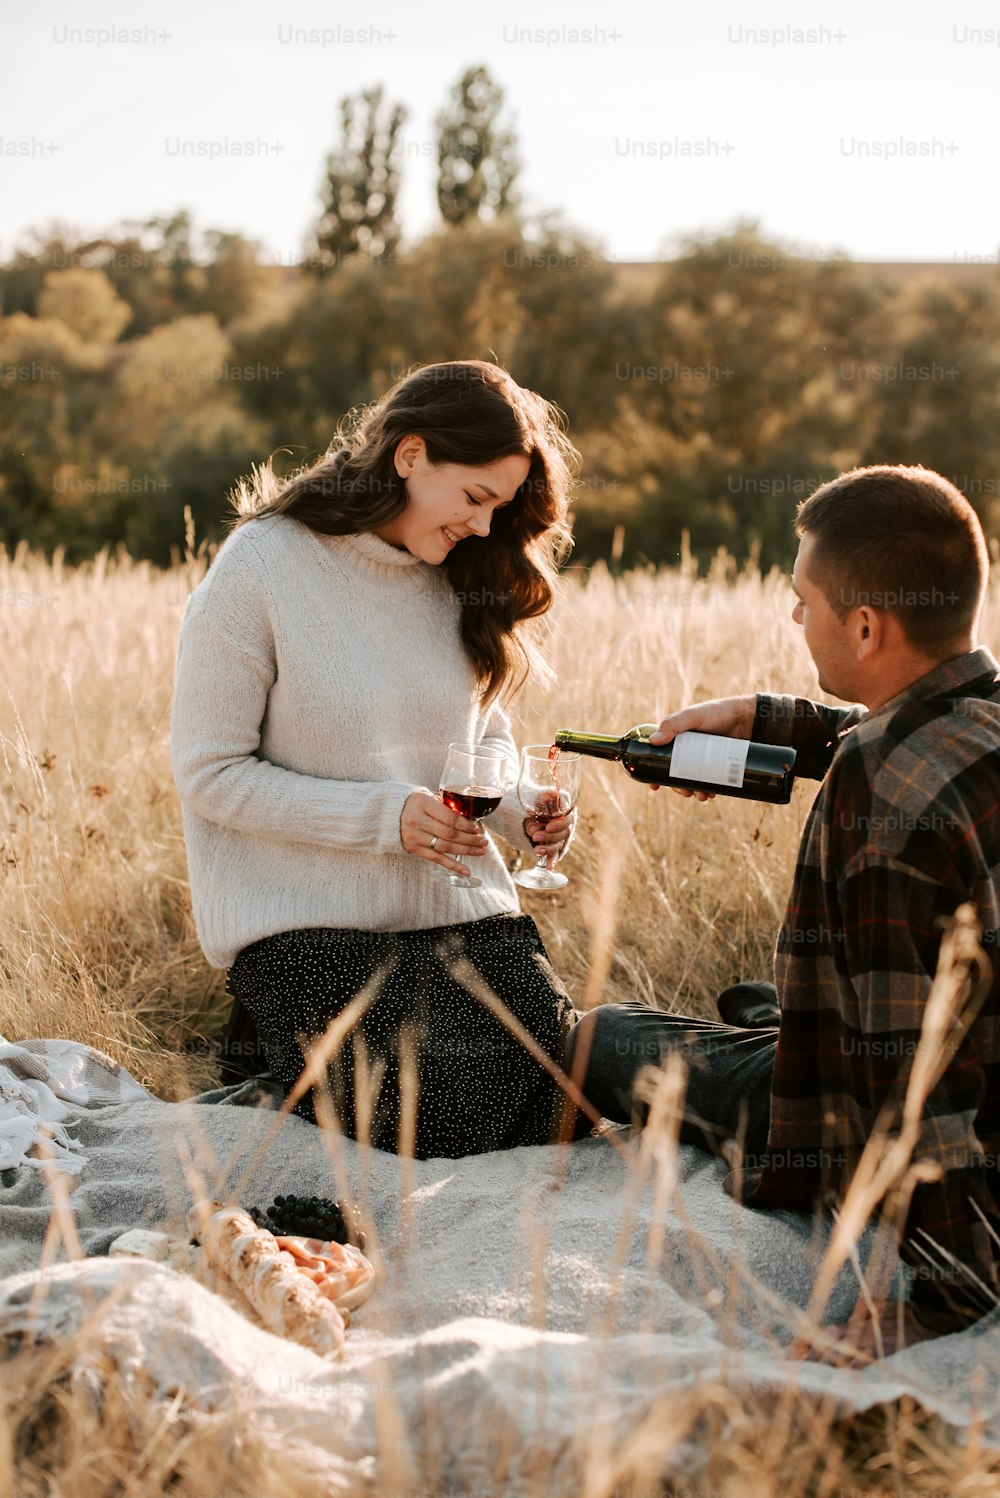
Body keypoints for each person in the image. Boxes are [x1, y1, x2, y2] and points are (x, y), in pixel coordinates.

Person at [565, 464, 1000, 1356]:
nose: (793, 619)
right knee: (766, 1008)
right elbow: (913, 722)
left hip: (847, 1117)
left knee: (591, 1036)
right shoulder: (975, 718)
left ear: (867, 625)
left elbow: (907, 1070)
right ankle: (773, 1019)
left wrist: (945, 1298)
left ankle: (773, 1036)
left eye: (804, 601)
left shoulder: (879, 788)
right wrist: (764, 718)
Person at [170, 360, 588, 1159]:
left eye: (501, 509)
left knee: (558, 1110)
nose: (485, 527)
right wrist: (383, 817)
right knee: (423, 1124)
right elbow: (209, 774)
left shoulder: (459, 575)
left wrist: (517, 806)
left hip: (460, 917)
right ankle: (269, 1068)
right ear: (410, 455)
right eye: (475, 498)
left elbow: (480, 735)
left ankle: (275, 1081)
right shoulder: (263, 566)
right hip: (310, 927)